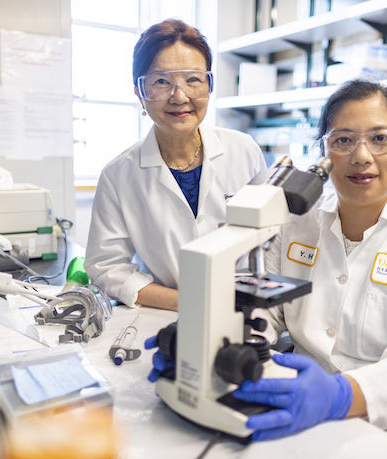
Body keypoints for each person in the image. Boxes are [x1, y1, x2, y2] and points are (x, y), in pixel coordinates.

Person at [147, 79, 387, 458]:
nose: (361, 156)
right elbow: (261, 313)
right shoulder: (295, 223)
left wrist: (343, 396)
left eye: (380, 138)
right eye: (342, 140)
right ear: (324, 152)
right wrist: (201, 343)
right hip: (313, 412)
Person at [85, 19, 266, 311]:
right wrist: (191, 303)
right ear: (139, 93)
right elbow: (107, 266)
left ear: (209, 85)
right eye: (161, 81)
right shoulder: (119, 175)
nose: (180, 97)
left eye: (193, 80)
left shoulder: (244, 151)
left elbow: (273, 238)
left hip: (247, 311)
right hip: (169, 316)